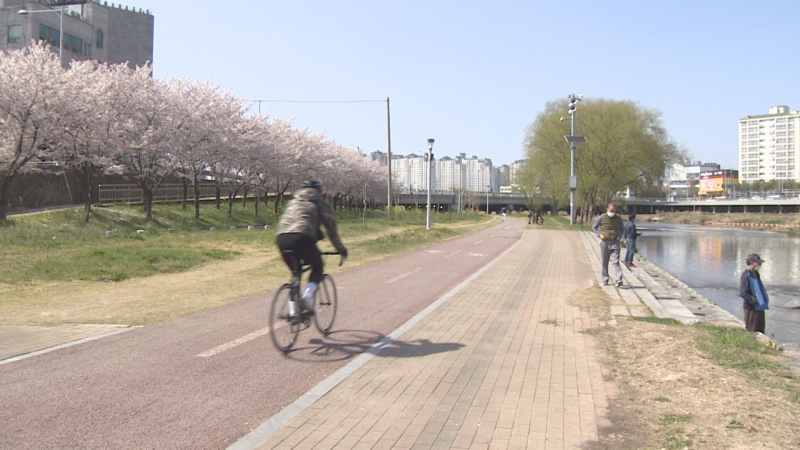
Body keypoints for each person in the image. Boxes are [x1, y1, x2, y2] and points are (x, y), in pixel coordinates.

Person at [275, 180, 348, 317]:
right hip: (303, 236)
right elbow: (331, 229)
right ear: (319, 192)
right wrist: (341, 248)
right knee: (318, 266)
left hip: (281, 238)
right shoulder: (319, 203)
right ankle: (307, 298)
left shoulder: (292, 203)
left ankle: (293, 313)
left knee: (296, 274)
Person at [592, 202, 624, 286]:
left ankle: (619, 279)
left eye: (613, 211)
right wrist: (599, 235)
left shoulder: (618, 218)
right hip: (605, 242)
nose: (612, 213)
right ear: (607, 209)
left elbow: (623, 229)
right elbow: (594, 227)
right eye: (610, 211)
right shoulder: (602, 217)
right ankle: (605, 279)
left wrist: (620, 236)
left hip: (615, 242)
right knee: (604, 262)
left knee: (616, 261)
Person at [739, 254, 769, 333]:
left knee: (760, 331)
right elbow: (742, 293)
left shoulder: (756, 274)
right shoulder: (746, 275)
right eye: (758, 263)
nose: (759, 265)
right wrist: (754, 300)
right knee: (752, 330)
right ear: (752, 263)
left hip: (760, 306)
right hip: (751, 308)